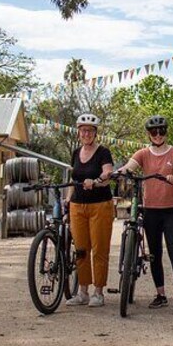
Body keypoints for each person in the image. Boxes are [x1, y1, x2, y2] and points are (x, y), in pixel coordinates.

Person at [115, 115, 173, 313]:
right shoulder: (142, 153)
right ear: (148, 134)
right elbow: (129, 166)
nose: (157, 135)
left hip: (171, 211)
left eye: (161, 131)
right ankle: (161, 294)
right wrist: (120, 171)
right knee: (155, 254)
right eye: (154, 132)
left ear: (166, 132)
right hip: (151, 212)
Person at [66, 113, 115, 307]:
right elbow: (73, 177)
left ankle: (98, 292)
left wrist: (95, 182)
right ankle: (82, 291)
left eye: (90, 131)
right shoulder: (76, 152)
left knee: (99, 249)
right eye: (83, 130)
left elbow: (108, 173)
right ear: (78, 132)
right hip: (78, 205)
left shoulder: (103, 152)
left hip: (100, 205)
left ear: (95, 133)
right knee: (80, 250)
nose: (86, 134)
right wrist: (68, 199)